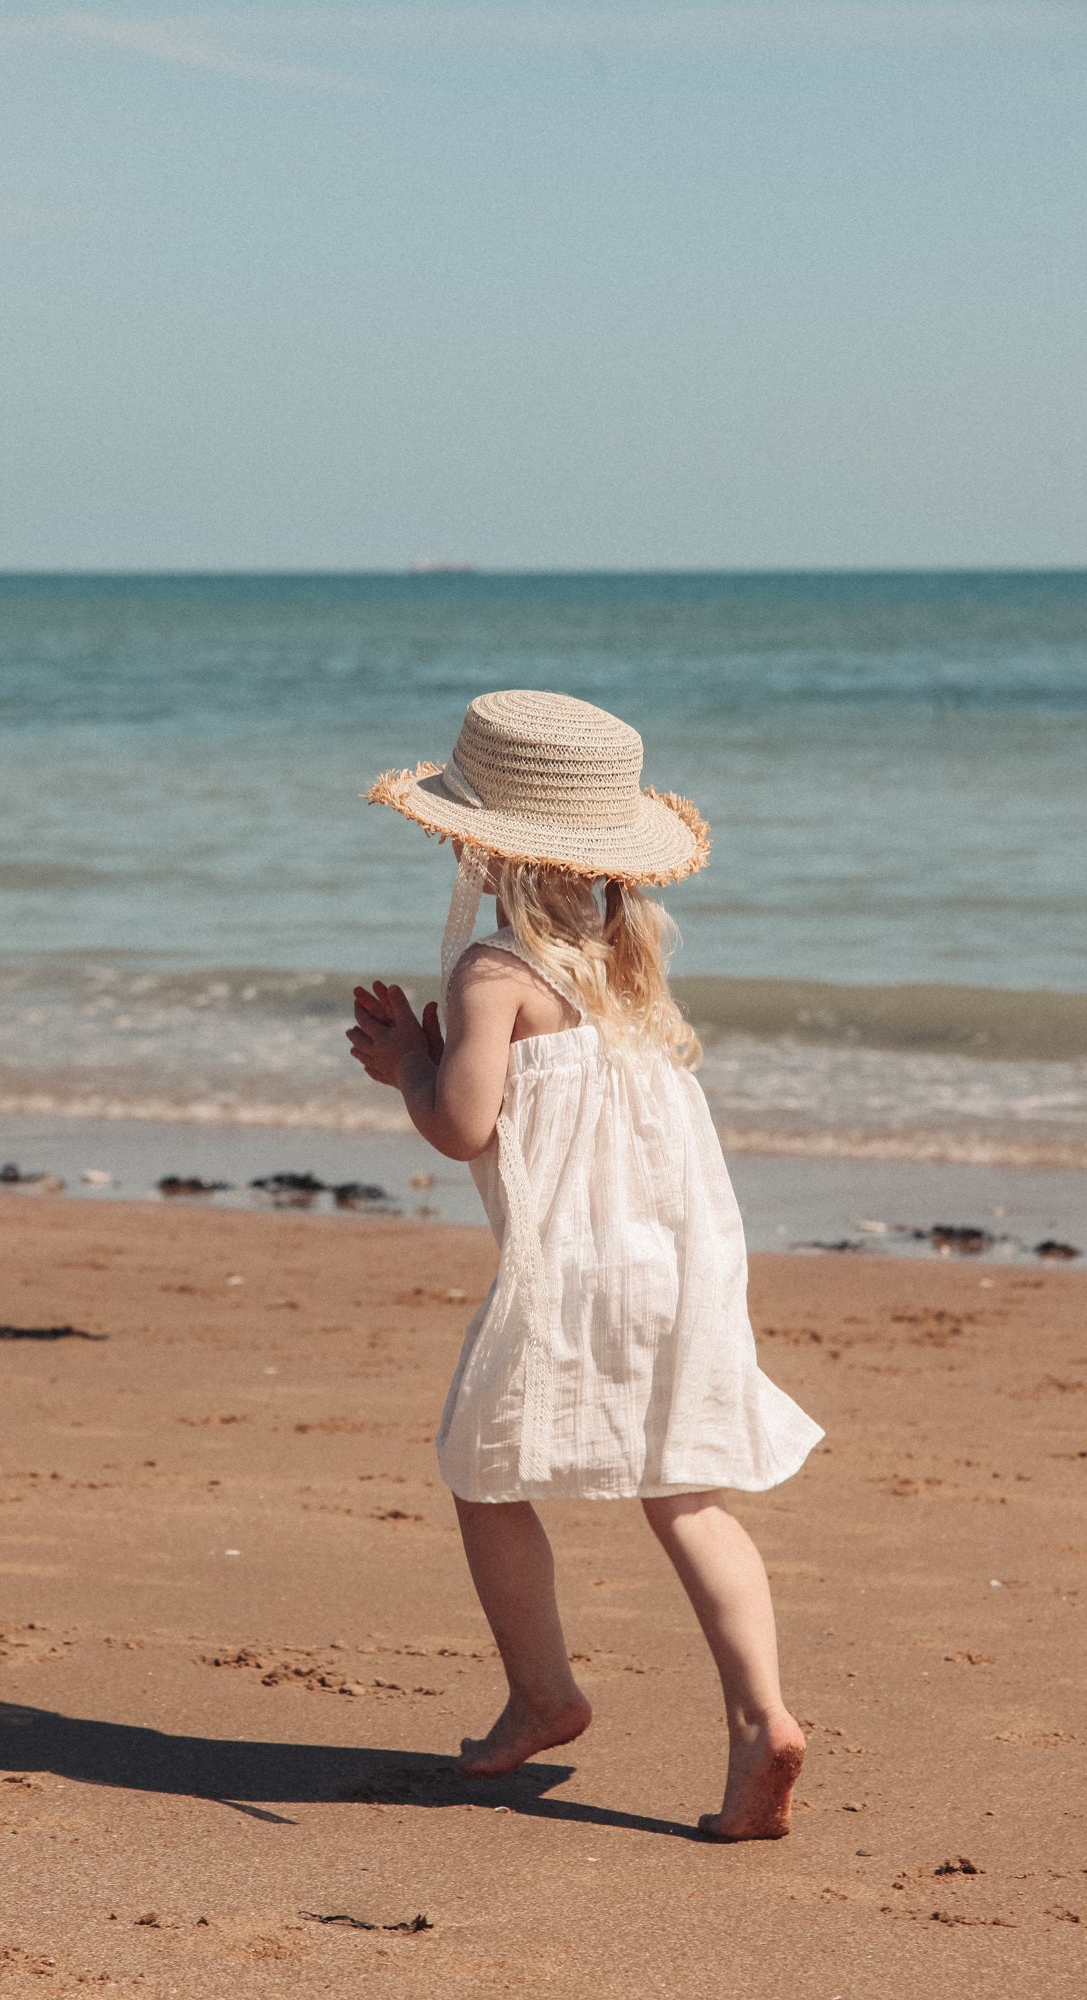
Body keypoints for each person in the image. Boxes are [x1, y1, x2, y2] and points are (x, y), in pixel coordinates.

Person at [347, 690, 823, 1841]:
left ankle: (543, 1690)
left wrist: (410, 1060)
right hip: (685, 1257)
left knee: (482, 1469)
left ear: (479, 839)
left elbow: (462, 1126)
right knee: (686, 1491)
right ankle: (761, 1717)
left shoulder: (490, 970)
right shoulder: (626, 963)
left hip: (574, 1269)